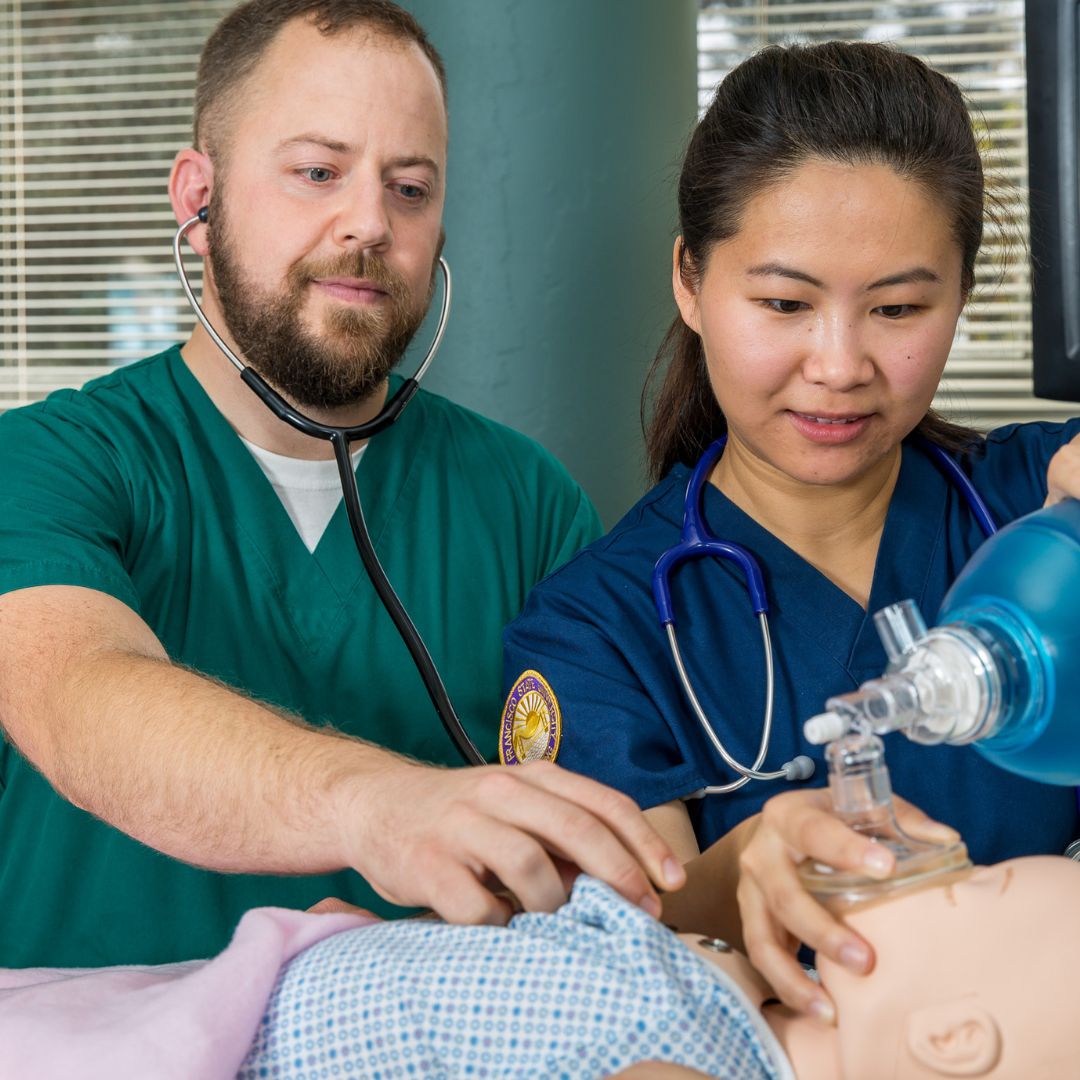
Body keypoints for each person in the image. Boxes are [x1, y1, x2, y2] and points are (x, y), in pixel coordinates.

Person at [0, 0, 683, 970]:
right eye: (317, 172)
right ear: (198, 199)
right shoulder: (45, 461)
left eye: (410, 188)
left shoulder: (528, 502)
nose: (368, 222)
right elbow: (75, 695)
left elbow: (615, 849)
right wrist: (379, 808)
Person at [501, 40, 1080, 1024]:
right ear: (690, 280)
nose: (841, 363)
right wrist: (750, 865)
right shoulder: (597, 629)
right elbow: (619, 958)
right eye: (783, 303)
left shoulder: (1041, 508)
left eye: (897, 307)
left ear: (962, 295)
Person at [3, 853, 1072, 1079]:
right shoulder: (737, 992)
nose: (944, 862)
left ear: (951, 1038)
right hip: (250, 977)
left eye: (973, 887)